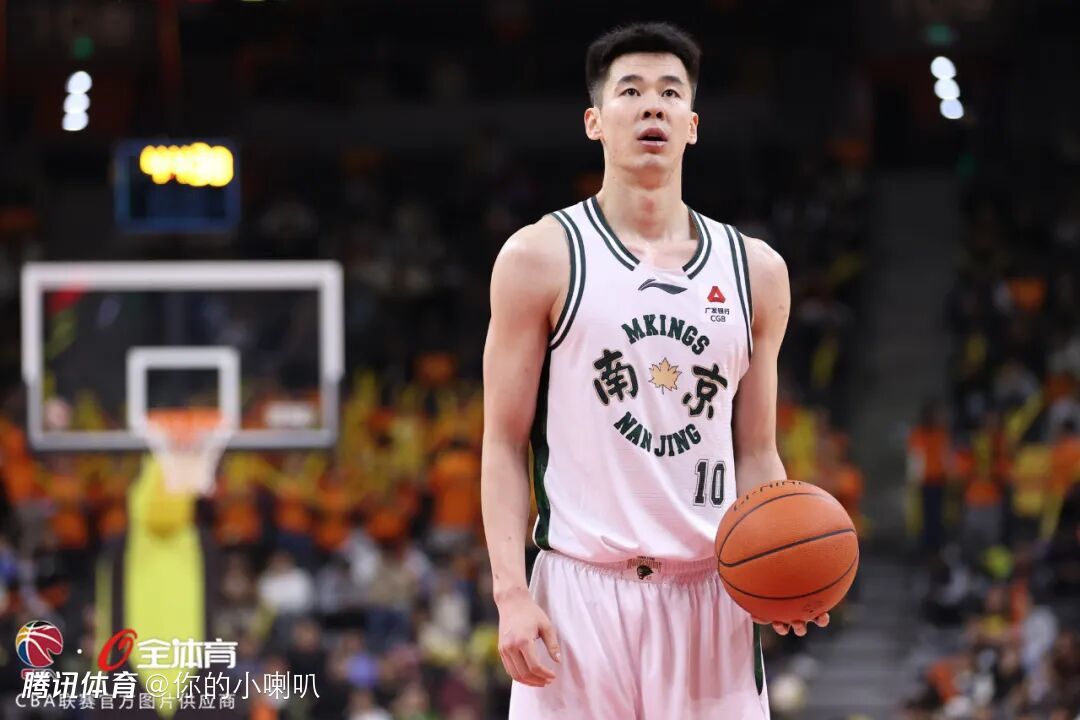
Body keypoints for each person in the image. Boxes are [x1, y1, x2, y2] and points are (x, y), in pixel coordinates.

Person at [480, 23, 827, 719]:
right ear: (594, 121)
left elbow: (756, 450)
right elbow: (502, 441)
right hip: (579, 593)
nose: (652, 106)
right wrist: (511, 593)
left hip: (711, 596)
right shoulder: (539, 257)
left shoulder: (757, 272)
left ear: (692, 126)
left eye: (670, 93)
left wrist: (784, 559)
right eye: (631, 91)